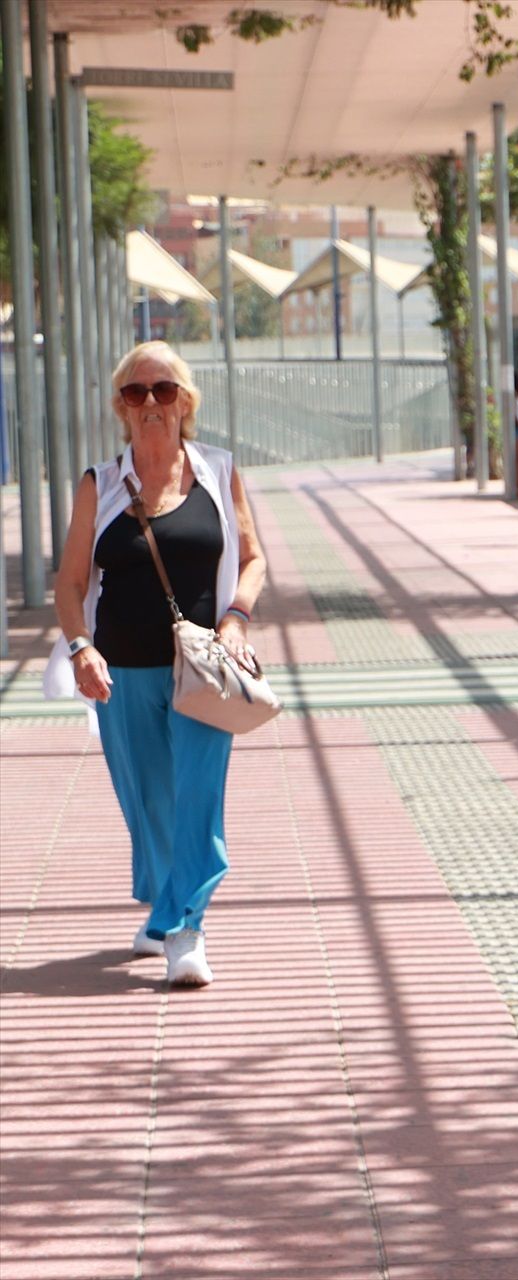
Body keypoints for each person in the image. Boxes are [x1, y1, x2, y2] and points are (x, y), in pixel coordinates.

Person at [46, 340, 268, 989]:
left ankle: (183, 928)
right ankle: (165, 906)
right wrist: (81, 646)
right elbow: (69, 581)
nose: (150, 403)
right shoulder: (101, 483)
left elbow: (252, 558)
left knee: (197, 798)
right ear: (121, 405)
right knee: (149, 803)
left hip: (203, 669)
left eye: (163, 390)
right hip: (123, 670)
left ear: (185, 401)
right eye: (136, 392)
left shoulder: (220, 473)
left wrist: (236, 618)